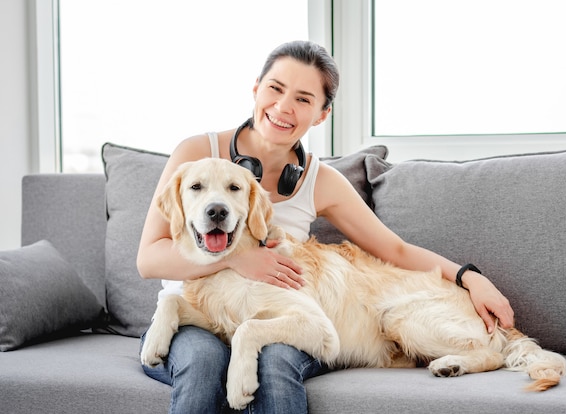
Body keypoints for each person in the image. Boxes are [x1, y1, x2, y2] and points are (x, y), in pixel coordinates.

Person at [137, 40, 514, 414]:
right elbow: (149, 259)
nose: (283, 107)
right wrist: (235, 259)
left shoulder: (323, 181)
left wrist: (469, 277)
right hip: (196, 308)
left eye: (303, 99)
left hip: (276, 312)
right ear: (256, 89)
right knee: (204, 364)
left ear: (321, 114)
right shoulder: (195, 154)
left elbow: (394, 250)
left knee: (275, 365)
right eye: (276, 88)